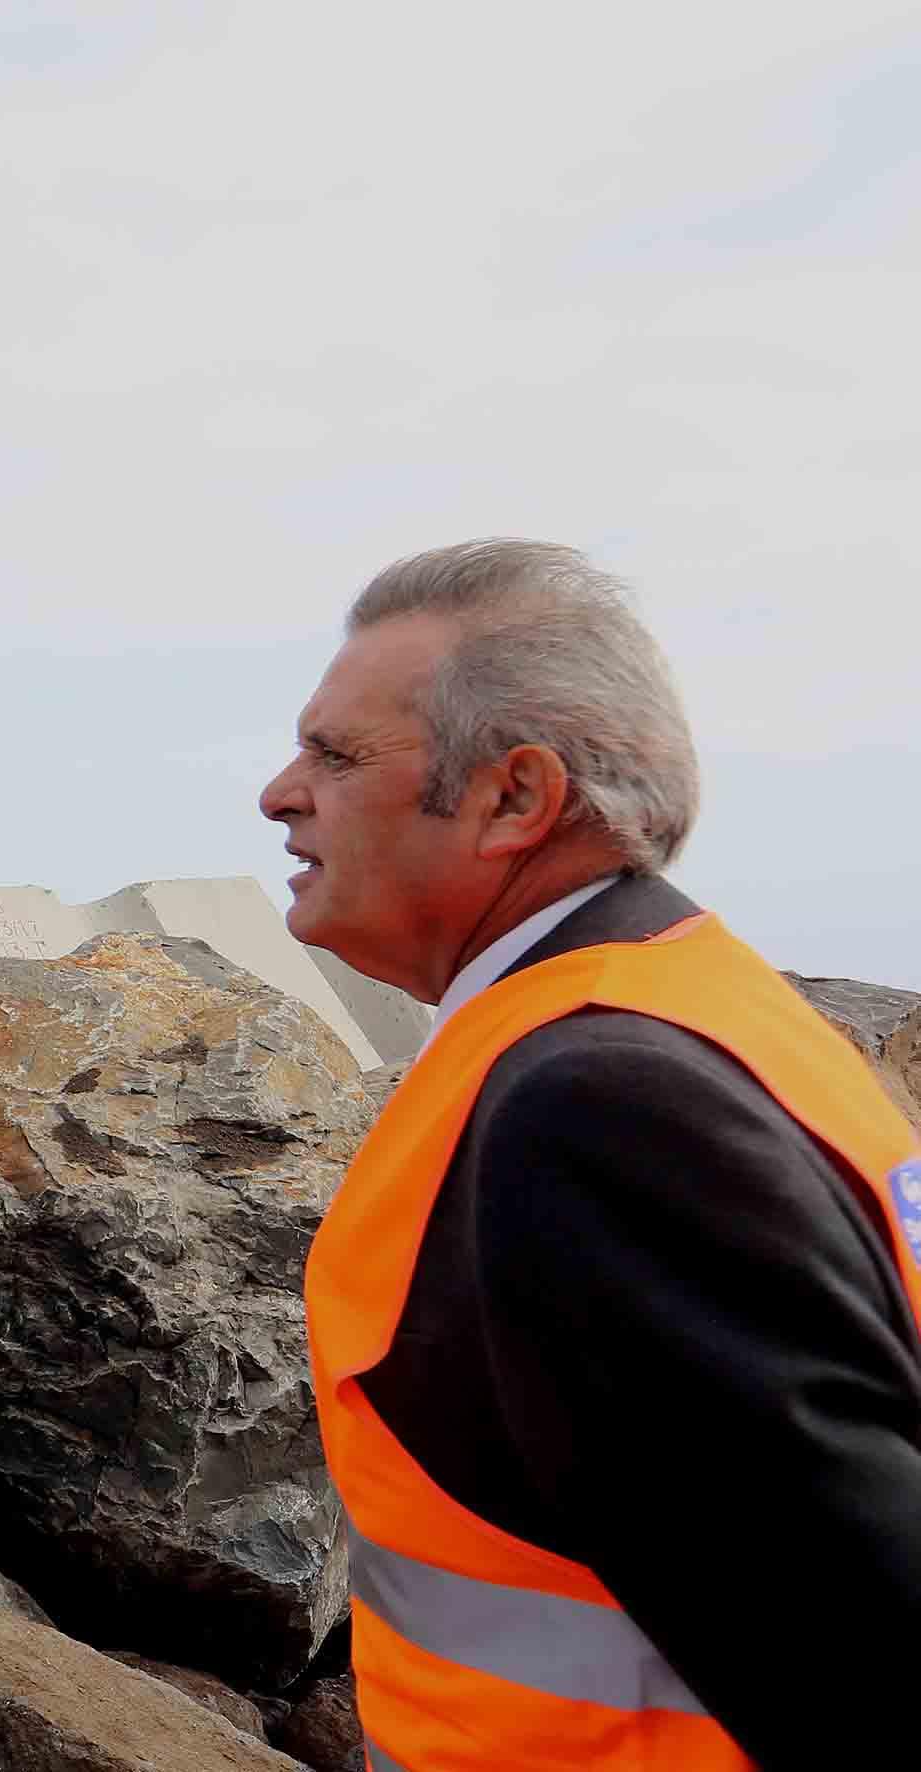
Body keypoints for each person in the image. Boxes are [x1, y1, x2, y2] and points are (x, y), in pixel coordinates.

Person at [261, 538, 921, 1767]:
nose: (278, 792)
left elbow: (856, 1652)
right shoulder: (703, 1011)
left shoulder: (594, 1108)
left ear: (513, 797)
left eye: (335, 754)